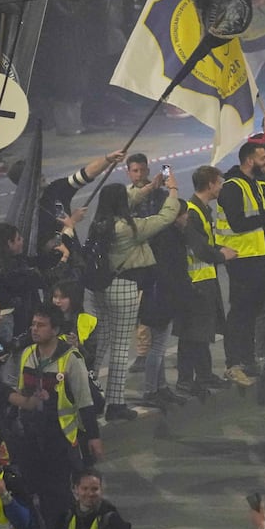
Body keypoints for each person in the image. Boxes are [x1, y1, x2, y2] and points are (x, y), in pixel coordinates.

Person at [87, 173, 181, 419]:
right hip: (125, 287)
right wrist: (172, 191)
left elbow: (126, 199)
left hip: (101, 288)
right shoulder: (128, 228)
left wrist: (150, 187)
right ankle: (116, 404)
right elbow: (165, 217)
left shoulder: (98, 223)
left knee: (102, 343)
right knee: (120, 348)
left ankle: (89, 393)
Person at [6, 305, 102, 529]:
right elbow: (22, 392)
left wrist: (93, 437)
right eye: (33, 324)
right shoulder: (28, 354)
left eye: (41, 325)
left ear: (55, 329)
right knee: (32, 488)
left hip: (59, 437)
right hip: (31, 435)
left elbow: (84, 401)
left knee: (57, 493)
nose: (34, 329)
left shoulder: (71, 358)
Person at [219, 140, 265, 387]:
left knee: (252, 312)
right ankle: (234, 362)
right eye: (262, 157)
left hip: (256, 257)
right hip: (241, 259)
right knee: (240, 313)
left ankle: (246, 358)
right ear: (248, 160)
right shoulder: (233, 186)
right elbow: (237, 223)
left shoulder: (252, 183)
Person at [175, 165, 235, 394]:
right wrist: (221, 255)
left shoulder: (201, 209)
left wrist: (220, 249)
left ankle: (203, 375)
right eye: (219, 182)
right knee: (192, 333)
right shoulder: (193, 211)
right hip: (196, 280)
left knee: (200, 332)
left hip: (204, 277)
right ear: (210, 184)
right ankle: (186, 379)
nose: (220, 187)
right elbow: (199, 247)